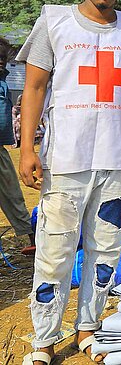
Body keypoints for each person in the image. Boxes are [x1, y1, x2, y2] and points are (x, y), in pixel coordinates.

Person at [16, 0, 121, 365]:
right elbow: (35, 87)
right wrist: (28, 148)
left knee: (106, 248)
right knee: (55, 249)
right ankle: (44, 339)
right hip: (66, 158)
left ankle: (88, 328)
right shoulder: (55, 22)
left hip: (117, 158)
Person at [0, 38, 35, 255]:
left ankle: (30, 237)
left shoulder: (4, 81)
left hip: (1, 151)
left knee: (13, 194)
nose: (0, 63)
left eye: (2, 59)